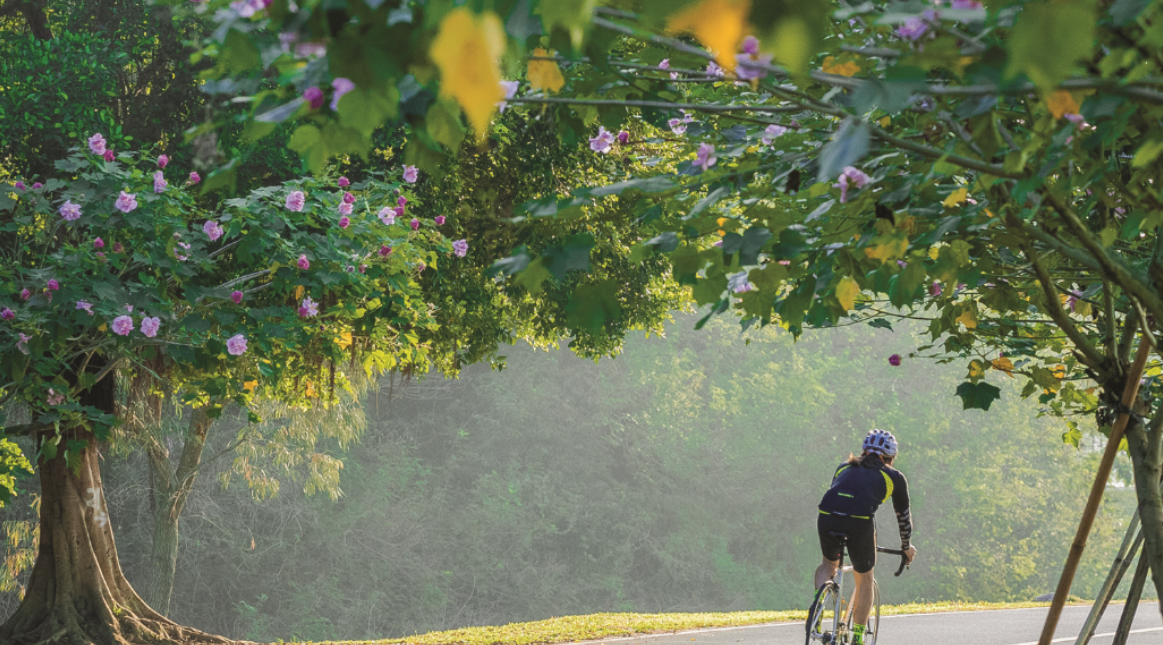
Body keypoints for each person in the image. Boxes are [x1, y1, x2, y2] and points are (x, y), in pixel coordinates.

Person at [814, 429, 916, 645]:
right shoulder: (894, 477)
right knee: (865, 578)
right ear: (887, 457)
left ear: (865, 452)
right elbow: (903, 518)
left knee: (828, 564)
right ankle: (858, 636)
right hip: (859, 522)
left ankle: (818, 609)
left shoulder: (843, 467)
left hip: (826, 515)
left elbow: (839, 495)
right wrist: (906, 546)